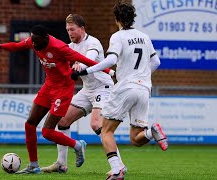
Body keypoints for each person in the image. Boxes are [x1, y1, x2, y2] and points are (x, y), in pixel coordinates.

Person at [0, 25, 112, 174]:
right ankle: (33, 165)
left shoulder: (59, 47)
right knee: (30, 124)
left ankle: (77, 145)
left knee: (47, 132)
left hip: (63, 89)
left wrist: (110, 70)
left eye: (37, 42)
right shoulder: (33, 42)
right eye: (33, 41)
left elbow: (85, 60)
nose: (35, 45)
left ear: (46, 38)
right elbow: (16, 46)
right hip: (48, 86)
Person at [71, 2, 168, 180]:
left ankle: (117, 171)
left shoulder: (118, 36)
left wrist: (86, 70)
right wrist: (142, 75)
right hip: (144, 88)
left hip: (125, 87)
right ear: (133, 18)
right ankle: (151, 132)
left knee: (105, 131)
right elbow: (156, 63)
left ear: (117, 19)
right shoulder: (144, 36)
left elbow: (110, 61)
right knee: (136, 138)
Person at [41, 14, 127, 174]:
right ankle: (61, 163)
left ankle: (119, 165)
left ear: (81, 28)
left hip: (103, 87)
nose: (70, 33)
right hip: (87, 90)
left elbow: (90, 58)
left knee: (97, 124)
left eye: (72, 29)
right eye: (67, 30)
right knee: (63, 120)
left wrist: (80, 64)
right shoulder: (69, 46)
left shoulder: (93, 43)